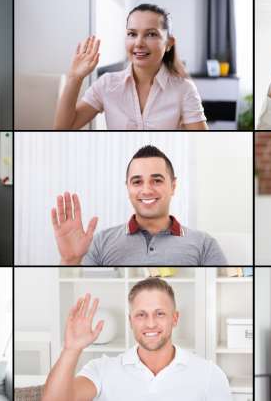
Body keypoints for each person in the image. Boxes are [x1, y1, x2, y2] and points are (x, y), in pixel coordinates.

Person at [42, 278, 231, 400]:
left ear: (175, 319)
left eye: (159, 313)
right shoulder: (101, 369)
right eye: (141, 315)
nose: (150, 323)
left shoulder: (209, 374)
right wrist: (71, 349)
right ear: (130, 321)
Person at [51, 145, 227, 265]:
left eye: (156, 180)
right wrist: (70, 260)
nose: (147, 190)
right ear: (128, 188)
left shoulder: (205, 244)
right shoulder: (100, 243)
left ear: (173, 186)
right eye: (137, 182)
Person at [54, 3, 208, 130]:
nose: (139, 43)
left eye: (151, 34)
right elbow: (63, 128)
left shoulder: (184, 89)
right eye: (132, 34)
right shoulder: (106, 84)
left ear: (169, 43)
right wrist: (75, 78)